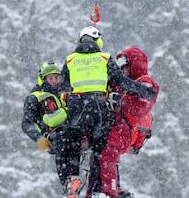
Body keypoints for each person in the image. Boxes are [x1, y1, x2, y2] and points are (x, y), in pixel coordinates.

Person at [56, 27, 157, 198]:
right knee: (101, 151)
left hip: (76, 109)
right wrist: (142, 90)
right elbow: (121, 81)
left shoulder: (70, 60)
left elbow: (62, 87)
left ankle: (70, 178)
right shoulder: (104, 58)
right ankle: (102, 189)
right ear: (98, 41)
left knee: (69, 142)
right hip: (98, 108)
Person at [99, 47, 160, 198]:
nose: (123, 72)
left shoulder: (145, 82)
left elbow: (140, 106)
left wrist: (118, 99)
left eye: (126, 67)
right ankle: (108, 188)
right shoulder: (125, 83)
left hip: (129, 128)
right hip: (120, 126)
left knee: (108, 155)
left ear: (134, 65)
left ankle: (109, 192)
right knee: (101, 153)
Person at [21, 62, 67, 154]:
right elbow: (26, 123)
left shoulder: (63, 94)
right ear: (43, 79)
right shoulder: (34, 97)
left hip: (71, 140)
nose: (54, 81)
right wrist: (38, 137)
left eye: (56, 77)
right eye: (50, 78)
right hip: (55, 141)